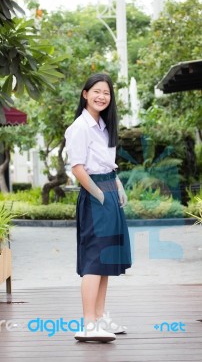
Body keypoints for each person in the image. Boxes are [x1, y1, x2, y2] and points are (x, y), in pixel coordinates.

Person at [64, 73, 132, 342]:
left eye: (106, 92)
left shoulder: (103, 126)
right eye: (96, 91)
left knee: (105, 259)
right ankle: (88, 324)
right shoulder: (79, 127)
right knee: (94, 259)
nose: (102, 96)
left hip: (108, 191)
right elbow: (78, 168)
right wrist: (99, 196)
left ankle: (100, 316)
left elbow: (106, 164)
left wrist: (117, 185)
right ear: (85, 94)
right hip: (96, 197)